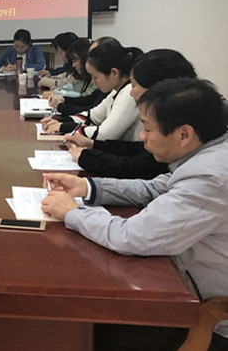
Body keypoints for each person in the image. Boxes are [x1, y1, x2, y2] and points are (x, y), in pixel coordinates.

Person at [41, 78, 228, 351]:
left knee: (83, 323)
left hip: (205, 317)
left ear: (184, 134)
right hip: (178, 284)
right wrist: (88, 187)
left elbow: (132, 236)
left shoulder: (212, 177)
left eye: (148, 129)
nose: (141, 137)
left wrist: (73, 213)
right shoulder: (209, 154)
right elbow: (156, 188)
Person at [65, 49, 197, 179]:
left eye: (134, 85)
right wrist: (92, 144)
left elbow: (139, 167)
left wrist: (88, 157)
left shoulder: (178, 123)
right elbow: (140, 151)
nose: (131, 92)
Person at [43, 42, 143, 141]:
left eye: (95, 77)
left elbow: (104, 134)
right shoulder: (115, 91)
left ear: (114, 73)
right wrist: (61, 122)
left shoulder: (129, 94)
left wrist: (63, 127)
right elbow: (92, 116)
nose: (92, 81)